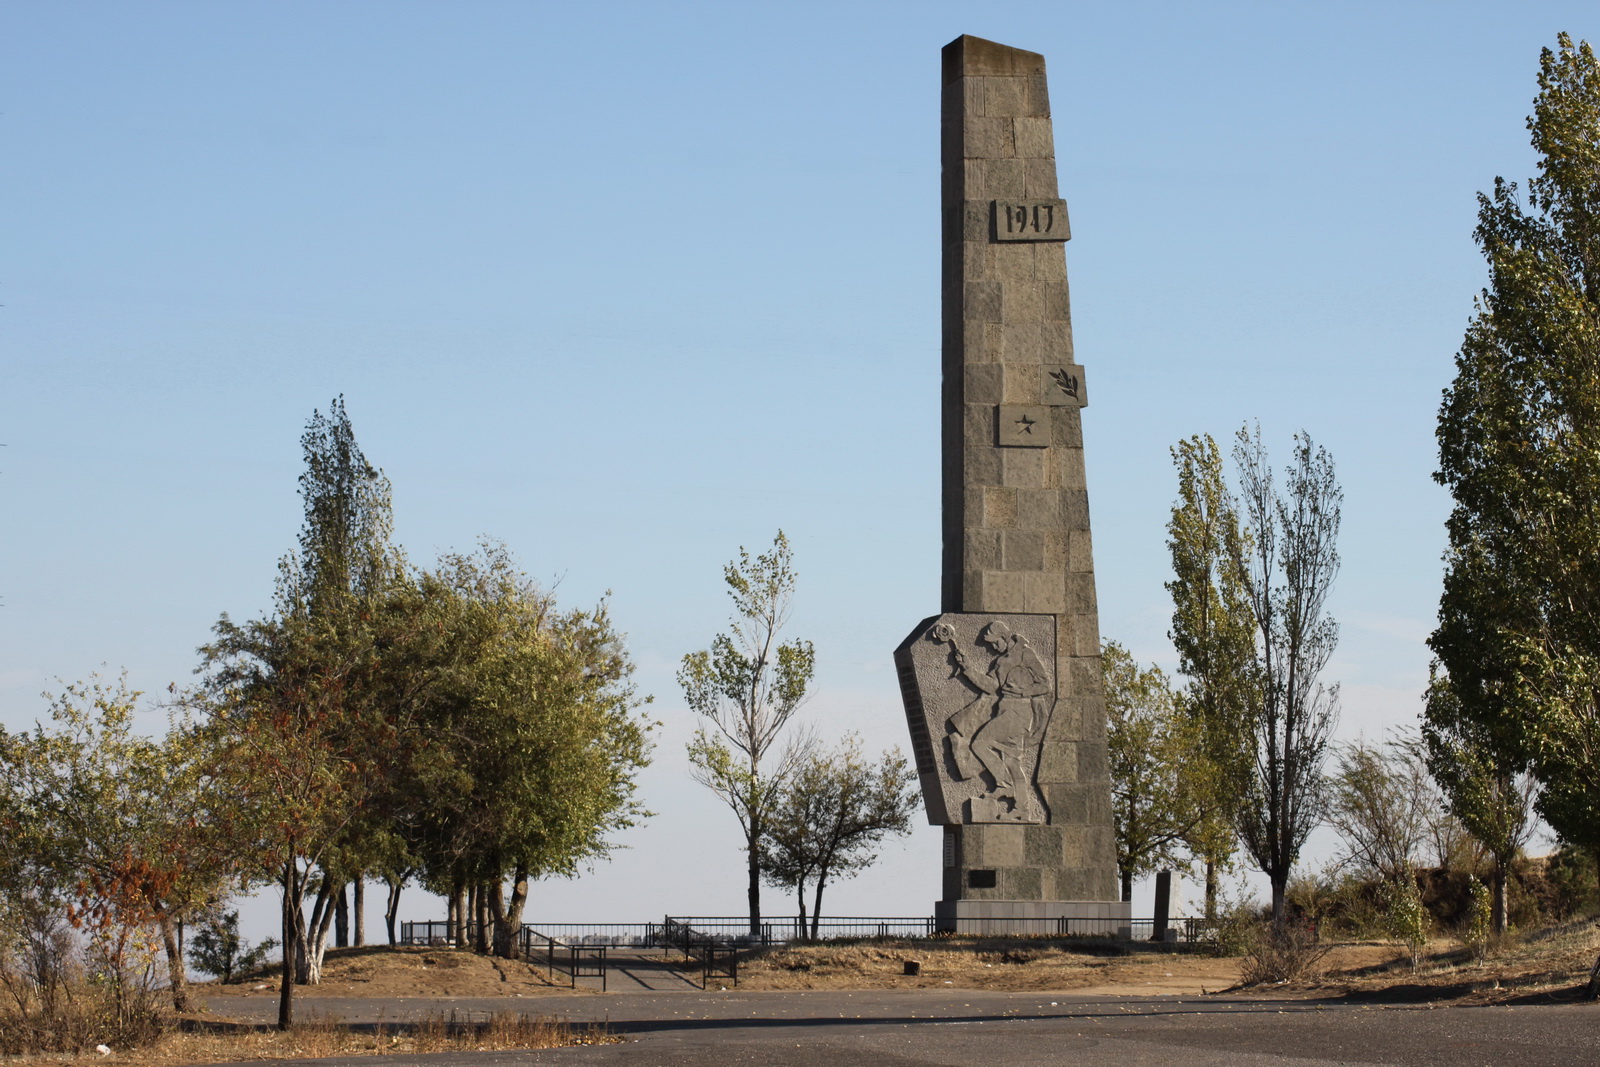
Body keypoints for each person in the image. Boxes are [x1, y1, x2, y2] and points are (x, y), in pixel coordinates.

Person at [944, 622, 1053, 812]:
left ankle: (1005, 785)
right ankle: (1021, 809)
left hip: (1019, 712)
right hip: (1005, 711)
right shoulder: (1001, 661)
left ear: (1004, 637)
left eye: (995, 643)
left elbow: (1045, 685)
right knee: (1012, 760)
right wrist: (967, 668)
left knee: (980, 743)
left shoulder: (1025, 654)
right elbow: (991, 686)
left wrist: (1023, 691)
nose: (993, 648)